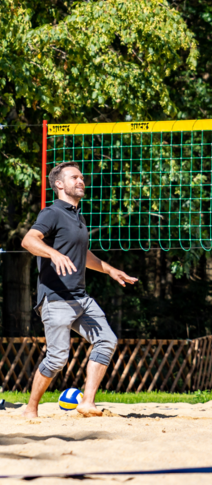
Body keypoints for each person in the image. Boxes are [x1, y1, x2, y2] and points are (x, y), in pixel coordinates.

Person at [21, 161, 138, 418]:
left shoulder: (78, 216)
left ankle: (87, 402)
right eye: (75, 177)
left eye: (82, 177)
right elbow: (28, 240)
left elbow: (81, 253)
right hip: (56, 298)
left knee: (106, 340)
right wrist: (53, 254)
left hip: (80, 298)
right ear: (59, 184)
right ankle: (31, 409)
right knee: (58, 358)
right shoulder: (51, 213)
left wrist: (109, 269)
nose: (81, 180)